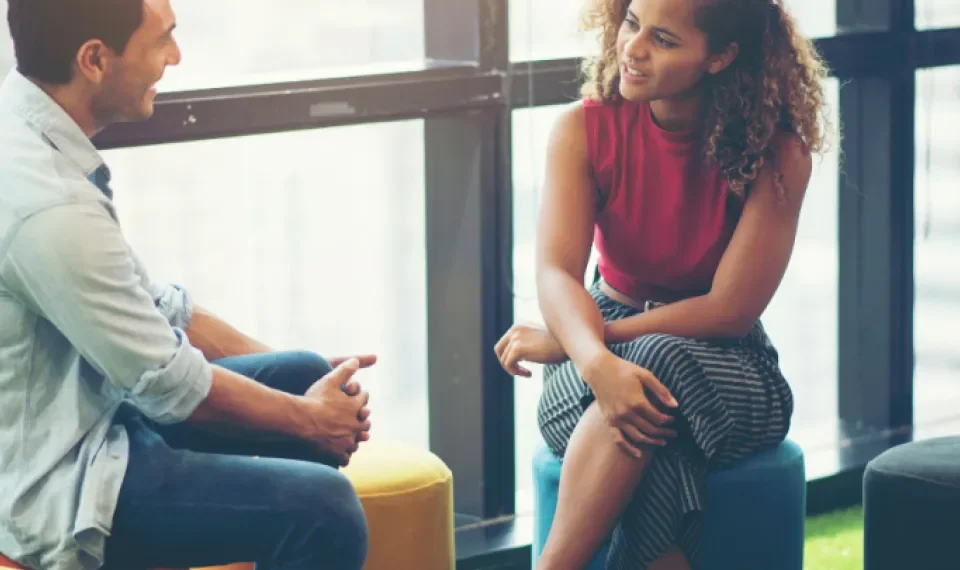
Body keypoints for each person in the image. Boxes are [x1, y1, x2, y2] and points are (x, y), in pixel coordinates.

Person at [0, 1, 376, 569]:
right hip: (57, 478)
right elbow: (168, 384)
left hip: (96, 412)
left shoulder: (32, 135)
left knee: (302, 372)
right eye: (161, 41)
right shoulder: (49, 204)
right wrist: (310, 419)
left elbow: (158, 309)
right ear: (95, 60)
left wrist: (310, 387)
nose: (175, 57)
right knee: (326, 511)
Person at [495, 0, 830, 568]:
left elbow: (728, 311)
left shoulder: (778, 153)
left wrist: (584, 342)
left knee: (654, 367)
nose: (633, 47)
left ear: (720, 57)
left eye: (664, 40)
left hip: (728, 366)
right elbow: (554, 271)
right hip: (593, 347)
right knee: (655, 445)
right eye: (632, 23)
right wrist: (594, 361)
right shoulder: (581, 129)